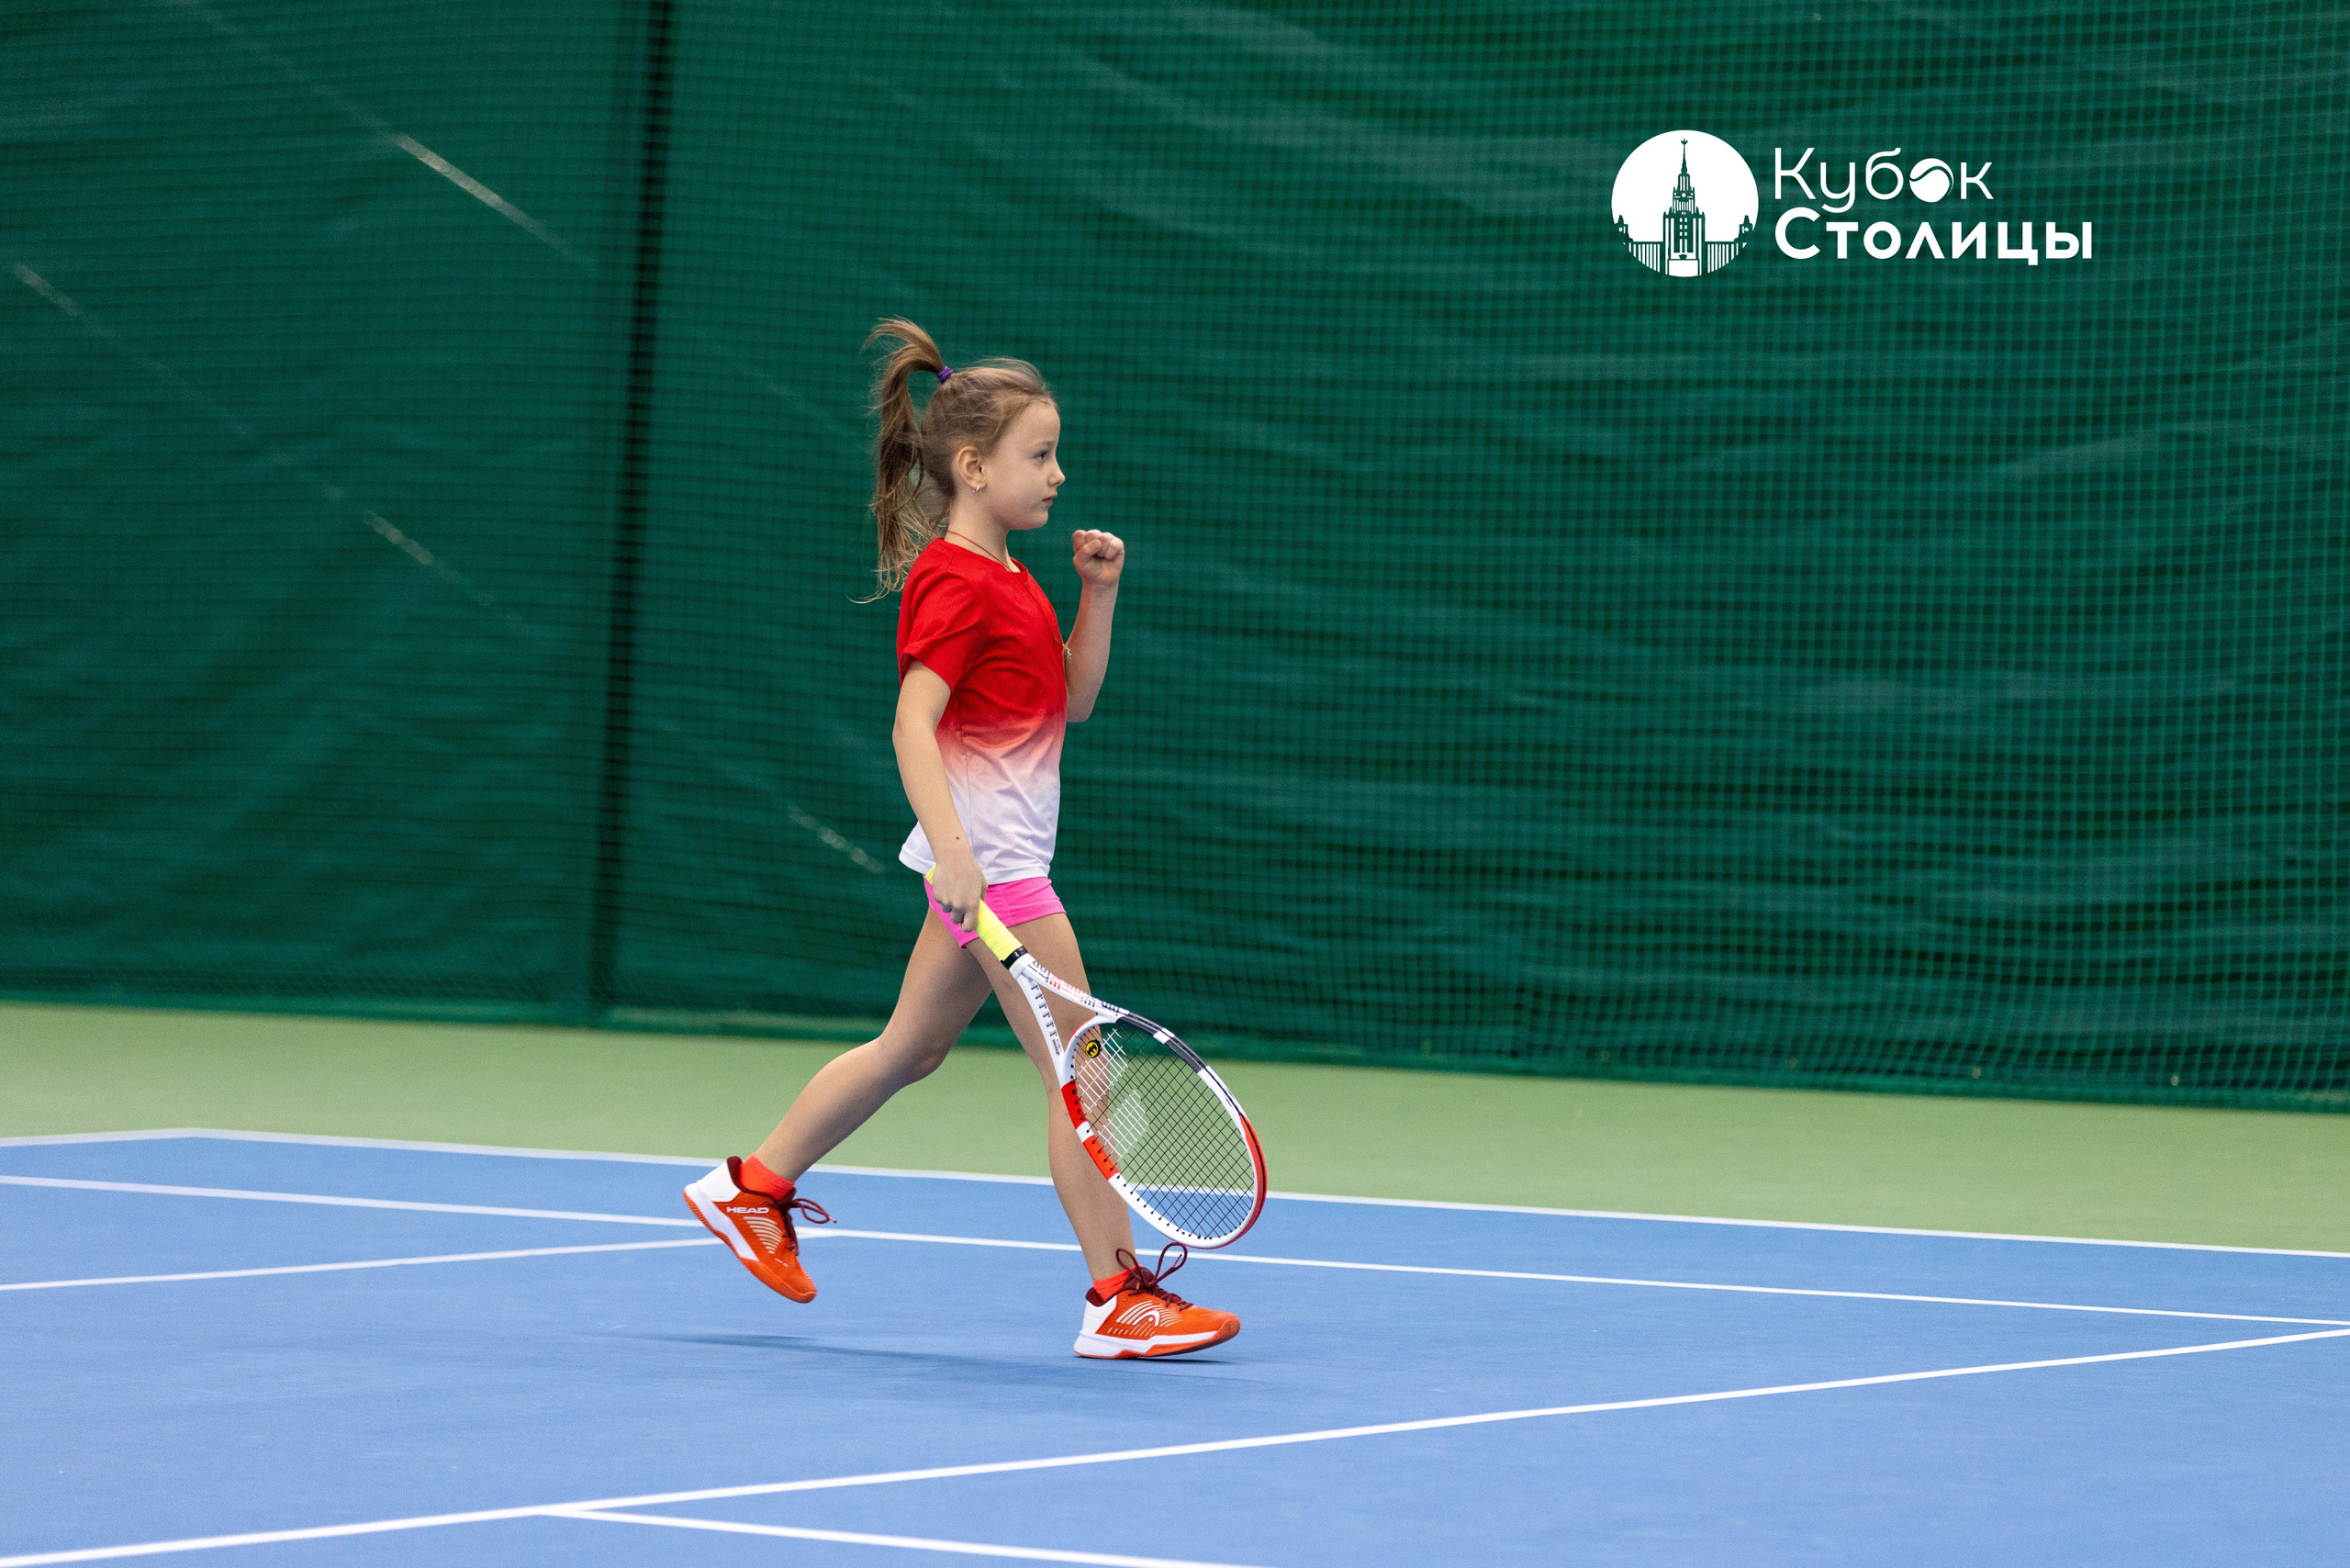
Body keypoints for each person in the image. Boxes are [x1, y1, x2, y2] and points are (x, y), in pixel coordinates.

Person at [683, 319, 1239, 1360]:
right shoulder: (951, 579)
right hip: (995, 874)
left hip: (986, 870)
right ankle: (1118, 1297)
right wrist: (955, 851)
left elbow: (1071, 700)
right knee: (1086, 1077)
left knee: (912, 1048)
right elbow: (912, 721)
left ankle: (753, 1187)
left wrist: (1100, 594)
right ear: (974, 468)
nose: (1059, 475)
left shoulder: (1015, 580)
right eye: (1041, 455)